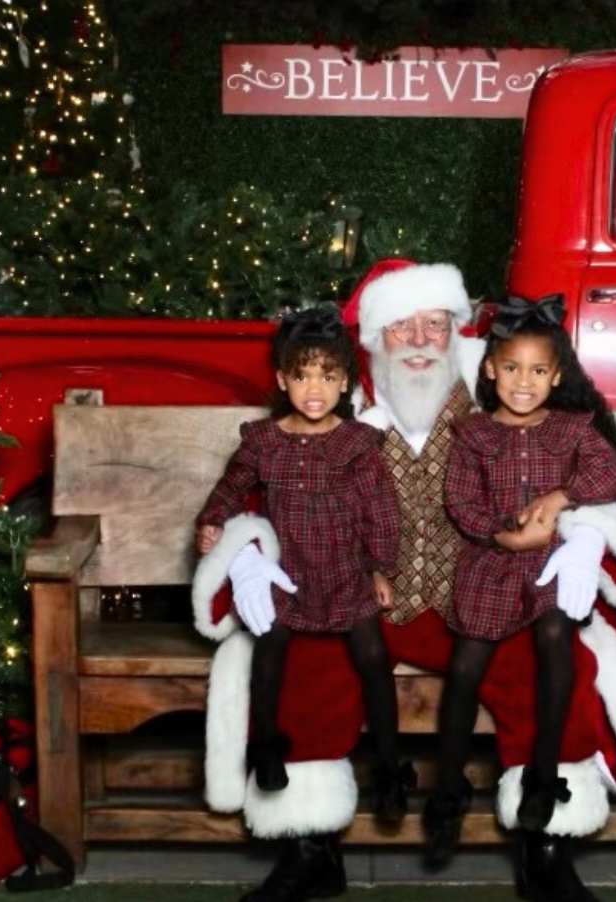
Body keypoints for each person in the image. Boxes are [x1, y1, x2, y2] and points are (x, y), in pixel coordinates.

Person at [192, 260, 616, 902]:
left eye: (434, 324)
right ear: (373, 338)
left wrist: (576, 533)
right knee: (306, 659)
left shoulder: (508, 396)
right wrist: (246, 553)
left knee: (549, 662)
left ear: (458, 334)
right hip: (362, 594)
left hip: (487, 592)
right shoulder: (331, 411)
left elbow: (605, 486)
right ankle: (309, 846)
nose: (417, 339)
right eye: (400, 325)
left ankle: (546, 840)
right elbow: (257, 497)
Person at [425, 295, 616, 865]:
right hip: (492, 561)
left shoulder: (571, 428)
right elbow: (460, 502)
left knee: (554, 635)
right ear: (490, 368)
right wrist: (499, 535)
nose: (524, 382)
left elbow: (613, 472)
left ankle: (544, 771)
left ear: (556, 375)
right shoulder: (471, 434)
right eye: (512, 368)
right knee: (466, 664)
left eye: (539, 371)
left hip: (552, 564)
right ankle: (449, 784)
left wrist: (562, 495)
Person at [193, 305, 414, 821]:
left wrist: (382, 568)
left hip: (345, 571)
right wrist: (213, 520)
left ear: (345, 385)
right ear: (282, 379)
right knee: (269, 647)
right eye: (302, 375)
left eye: (328, 375)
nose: (314, 388)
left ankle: (387, 765)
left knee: (373, 658)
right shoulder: (263, 441)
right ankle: (266, 746)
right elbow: (230, 489)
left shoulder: (358, 444)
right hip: (287, 572)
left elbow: (381, 510)